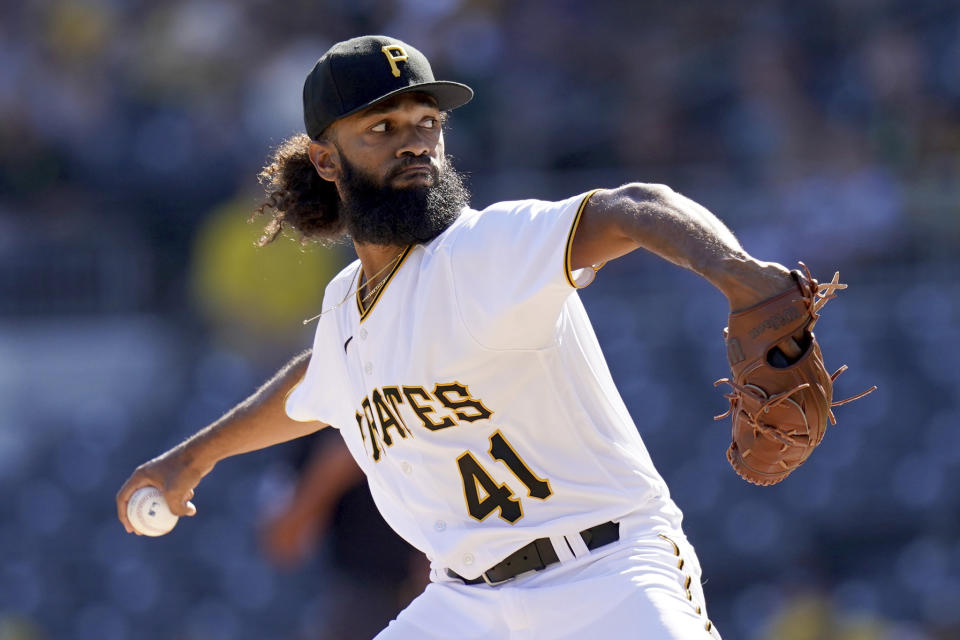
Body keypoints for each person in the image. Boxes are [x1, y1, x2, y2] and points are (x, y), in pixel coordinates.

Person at [117, 34, 798, 639]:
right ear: (326, 161)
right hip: (464, 604)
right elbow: (317, 381)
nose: (414, 141)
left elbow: (636, 208)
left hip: (606, 575)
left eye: (427, 123)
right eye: (382, 127)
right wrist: (193, 458)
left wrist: (739, 277)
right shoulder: (345, 309)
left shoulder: (483, 251)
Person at [260, 430, 429, 640]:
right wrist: (333, 469)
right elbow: (280, 543)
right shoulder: (317, 419)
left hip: (454, 589)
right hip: (363, 597)